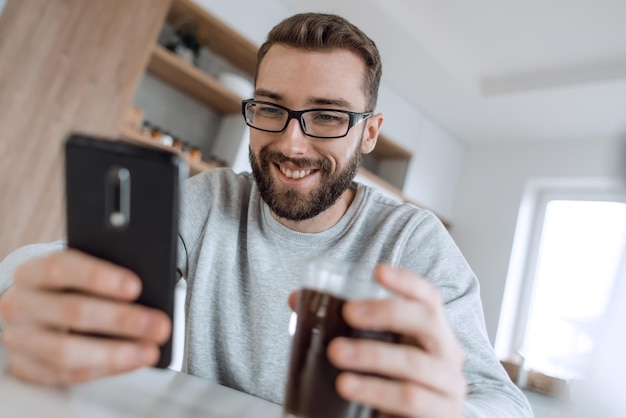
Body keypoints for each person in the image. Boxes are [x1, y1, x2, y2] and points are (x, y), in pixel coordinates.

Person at [0, 12, 532, 417]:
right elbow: (63, 262)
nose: (291, 143)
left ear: (368, 132)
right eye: (271, 109)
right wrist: (24, 288)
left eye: (326, 115)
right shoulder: (213, 199)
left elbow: (504, 403)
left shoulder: (412, 241)